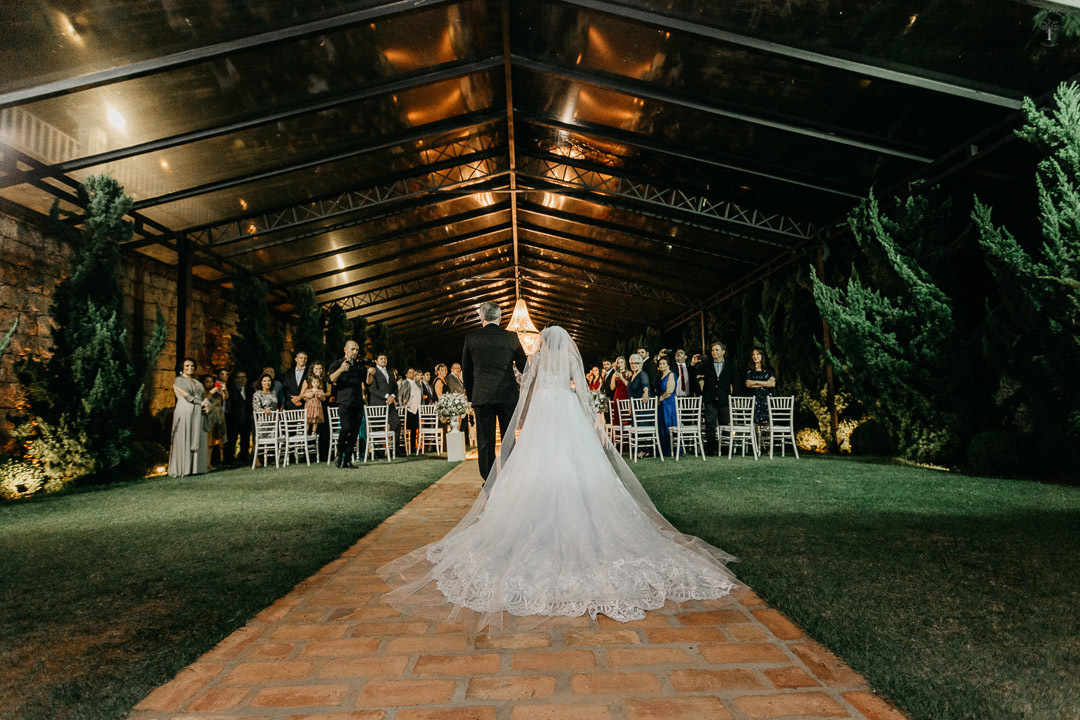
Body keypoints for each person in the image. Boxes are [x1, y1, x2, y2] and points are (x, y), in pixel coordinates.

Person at [379, 326, 735, 634]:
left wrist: (527, 399)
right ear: (566, 343)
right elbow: (580, 390)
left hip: (544, 414)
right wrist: (592, 417)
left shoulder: (538, 359)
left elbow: (527, 387)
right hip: (565, 410)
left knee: (539, 458)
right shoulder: (569, 361)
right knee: (576, 460)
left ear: (544, 342)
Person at [461, 301, 527, 481]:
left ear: (481, 317)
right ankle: (508, 478)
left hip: (482, 396)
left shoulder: (471, 338)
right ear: (499, 317)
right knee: (508, 439)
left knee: (485, 442)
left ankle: (489, 481)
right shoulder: (511, 337)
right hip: (507, 395)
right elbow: (524, 366)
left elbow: (466, 371)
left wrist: (470, 396)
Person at [168, 358, 209, 477]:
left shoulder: (197, 382)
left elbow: (203, 395)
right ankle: (184, 468)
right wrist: (200, 402)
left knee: (198, 436)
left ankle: (196, 468)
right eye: (187, 366)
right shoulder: (179, 380)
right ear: (182, 367)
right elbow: (187, 396)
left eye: (192, 366)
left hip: (198, 411)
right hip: (186, 410)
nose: (190, 368)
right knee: (185, 436)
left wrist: (206, 403)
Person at [328, 341, 366, 468]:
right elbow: (330, 379)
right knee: (346, 428)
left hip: (358, 402)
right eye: (353, 349)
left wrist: (370, 373)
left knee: (354, 431)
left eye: (357, 350)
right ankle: (339, 452)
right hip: (344, 402)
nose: (355, 352)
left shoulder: (359, 365)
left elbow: (368, 381)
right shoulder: (337, 363)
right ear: (345, 349)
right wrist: (341, 369)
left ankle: (347, 459)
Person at [701, 342, 735, 454]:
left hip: (724, 399)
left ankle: (725, 449)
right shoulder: (706, 364)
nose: (714, 352)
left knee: (725, 424)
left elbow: (735, 382)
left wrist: (736, 398)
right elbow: (696, 375)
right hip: (710, 398)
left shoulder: (730, 365)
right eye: (713, 350)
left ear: (723, 352)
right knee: (710, 424)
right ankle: (710, 449)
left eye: (717, 350)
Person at [366, 352, 399, 437]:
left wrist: (392, 396)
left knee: (396, 424)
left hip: (390, 404)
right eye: (381, 359)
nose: (384, 360)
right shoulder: (374, 372)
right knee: (377, 429)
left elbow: (395, 388)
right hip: (377, 404)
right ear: (376, 361)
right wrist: (387, 396)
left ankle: (395, 450)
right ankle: (378, 451)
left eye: (385, 359)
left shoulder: (390, 372)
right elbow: (372, 389)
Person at [225, 369, 252, 464]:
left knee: (246, 438)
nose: (241, 379)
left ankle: (244, 456)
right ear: (235, 379)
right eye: (239, 377)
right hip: (234, 418)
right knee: (232, 439)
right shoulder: (231, 390)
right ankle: (229, 459)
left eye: (243, 377)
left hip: (246, 418)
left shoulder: (249, 389)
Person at [746, 347, 777, 426]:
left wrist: (755, 382)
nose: (755, 356)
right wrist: (765, 383)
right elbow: (748, 384)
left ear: (762, 355)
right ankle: (756, 438)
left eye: (757, 354)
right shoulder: (750, 370)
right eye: (753, 355)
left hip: (766, 399)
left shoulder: (769, 369)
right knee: (755, 422)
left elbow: (772, 384)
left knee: (768, 422)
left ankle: (769, 438)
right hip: (754, 399)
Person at [202, 374, 226, 468]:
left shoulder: (217, 391)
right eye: (207, 381)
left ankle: (212, 462)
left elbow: (225, 397)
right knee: (209, 441)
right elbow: (205, 398)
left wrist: (223, 389)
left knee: (216, 441)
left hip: (218, 416)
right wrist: (212, 391)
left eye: (212, 381)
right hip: (209, 416)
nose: (210, 383)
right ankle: (206, 463)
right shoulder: (203, 391)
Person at [655, 357, 677, 456]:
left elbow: (670, 390)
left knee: (668, 424)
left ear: (668, 364)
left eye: (664, 363)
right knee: (661, 425)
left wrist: (661, 398)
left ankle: (670, 449)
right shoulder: (660, 376)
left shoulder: (671, 374)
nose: (661, 365)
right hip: (661, 404)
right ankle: (663, 449)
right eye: (660, 364)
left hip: (668, 403)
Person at [299, 361, 329, 435]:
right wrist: (307, 395)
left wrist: (323, 394)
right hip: (310, 407)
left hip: (322, 406)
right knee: (309, 424)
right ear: (312, 369)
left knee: (322, 430)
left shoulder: (326, 379)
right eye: (316, 369)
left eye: (320, 368)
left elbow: (329, 392)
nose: (319, 370)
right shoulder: (308, 380)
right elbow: (301, 395)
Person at [609, 356, 630, 429]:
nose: (620, 364)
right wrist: (614, 377)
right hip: (617, 396)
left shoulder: (629, 373)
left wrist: (621, 377)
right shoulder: (615, 374)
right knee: (617, 416)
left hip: (626, 395)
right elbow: (612, 388)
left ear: (625, 363)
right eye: (618, 363)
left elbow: (629, 385)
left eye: (622, 362)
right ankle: (618, 436)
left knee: (626, 415)